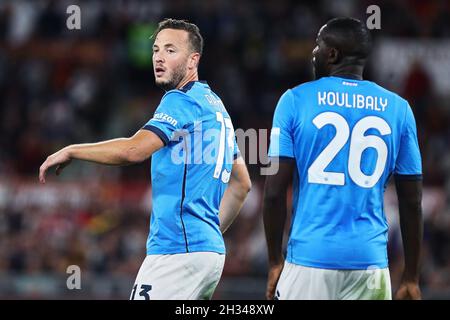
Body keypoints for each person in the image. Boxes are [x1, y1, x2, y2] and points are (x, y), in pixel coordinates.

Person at [39, 18, 251, 300]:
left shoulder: (181, 100)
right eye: (155, 50)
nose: (159, 57)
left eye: (170, 50)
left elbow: (133, 150)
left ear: (192, 61)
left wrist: (72, 150)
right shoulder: (216, 107)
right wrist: (208, 235)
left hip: (177, 252)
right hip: (207, 254)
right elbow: (242, 185)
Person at [263, 17, 423, 300]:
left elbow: (274, 191)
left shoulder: (294, 100)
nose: (313, 52)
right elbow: (412, 201)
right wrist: (410, 276)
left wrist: (276, 261)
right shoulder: (400, 109)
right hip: (370, 264)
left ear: (332, 54)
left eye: (317, 45)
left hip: (309, 260)